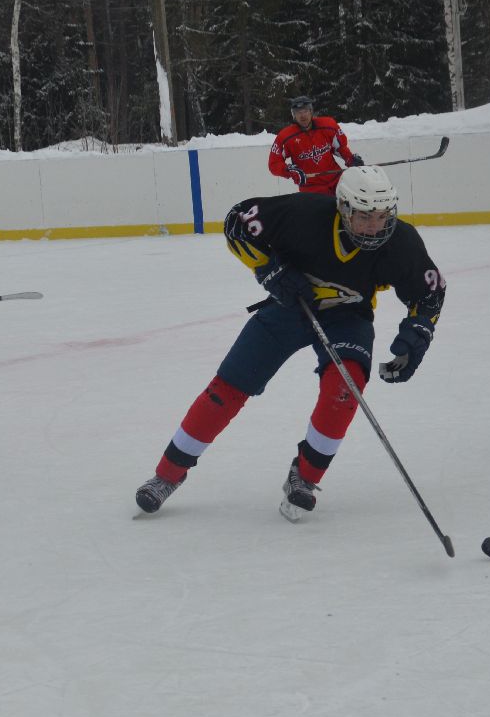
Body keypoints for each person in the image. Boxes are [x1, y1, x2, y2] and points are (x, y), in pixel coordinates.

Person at [134, 165, 445, 522]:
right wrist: (269, 268)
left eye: (382, 216)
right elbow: (238, 221)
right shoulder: (304, 214)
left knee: (345, 390)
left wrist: (416, 337)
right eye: (364, 217)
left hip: (348, 318)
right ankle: (166, 475)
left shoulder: (400, 242)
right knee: (227, 389)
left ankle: (306, 477)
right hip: (289, 308)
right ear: (343, 208)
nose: (375, 227)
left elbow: (430, 294)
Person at [267, 95, 362, 195]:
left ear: (311, 111)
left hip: (337, 181)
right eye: (298, 113)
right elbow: (274, 164)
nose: (302, 116)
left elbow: (340, 148)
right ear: (293, 116)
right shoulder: (286, 137)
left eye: (305, 111)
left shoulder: (328, 126)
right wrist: (289, 170)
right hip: (310, 189)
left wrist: (350, 159)